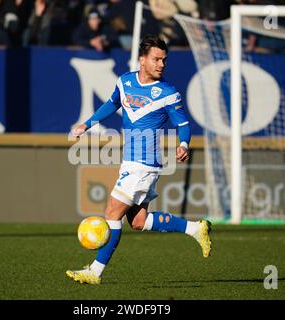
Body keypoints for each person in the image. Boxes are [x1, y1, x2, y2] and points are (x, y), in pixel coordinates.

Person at [66, 35, 212, 285]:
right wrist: (86, 124)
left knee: (112, 211)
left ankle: (95, 272)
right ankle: (195, 229)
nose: (161, 64)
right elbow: (112, 104)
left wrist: (184, 143)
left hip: (144, 164)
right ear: (142, 60)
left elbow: (184, 124)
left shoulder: (168, 93)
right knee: (138, 221)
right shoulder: (125, 82)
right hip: (131, 162)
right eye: (156, 59)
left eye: (164, 60)